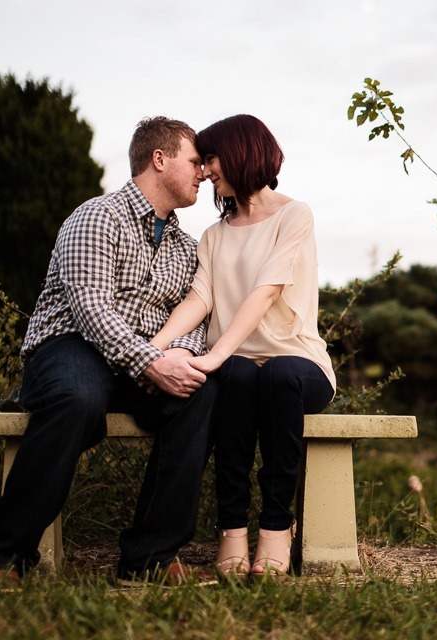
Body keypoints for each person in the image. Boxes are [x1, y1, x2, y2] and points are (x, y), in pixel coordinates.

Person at [0, 117, 216, 587]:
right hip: (69, 348)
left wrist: (174, 359)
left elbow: (191, 318)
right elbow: (90, 308)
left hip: (145, 360)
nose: (202, 172)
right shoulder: (97, 216)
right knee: (77, 398)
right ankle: (0, 557)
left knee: (201, 393)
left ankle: (150, 555)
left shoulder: (186, 247)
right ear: (158, 160)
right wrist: (149, 361)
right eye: (194, 161)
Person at [150, 114, 335, 578]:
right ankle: (231, 528)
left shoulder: (295, 215)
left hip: (297, 364)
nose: (206, 170)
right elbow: (200, 298)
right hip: (238, 370)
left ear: (239, 153)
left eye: (211, 158)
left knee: (275, 373)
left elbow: (267, 289)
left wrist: (213, 354)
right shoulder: (213, 234)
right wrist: (153, 348)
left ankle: (276, 528)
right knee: (234, 376)